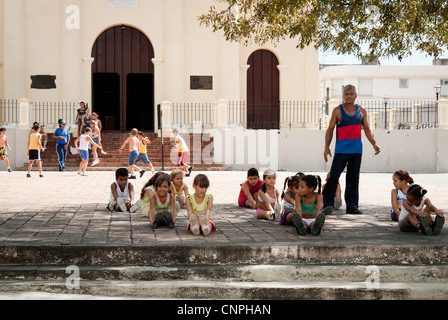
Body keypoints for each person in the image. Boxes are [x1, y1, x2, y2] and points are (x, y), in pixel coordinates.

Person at [323, 84, 381, 215]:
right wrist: (326, 147)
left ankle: (352, 206)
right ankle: (326, 204)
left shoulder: (362, 111)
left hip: (356, 150)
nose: (349, 96)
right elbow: (330, 129)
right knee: (333, 177)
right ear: (343, 96)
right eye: (346, 94)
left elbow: (367, 129)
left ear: (355, 96)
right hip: (341, 150)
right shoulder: (337, 111)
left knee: (353, 178)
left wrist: (374, 144)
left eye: (351, 94)